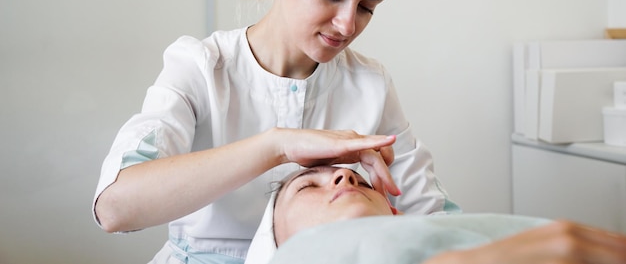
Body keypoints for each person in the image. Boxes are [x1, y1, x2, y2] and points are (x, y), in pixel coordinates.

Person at [92, 0, 459, 263]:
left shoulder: (370, 85)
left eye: (367, 6)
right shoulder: (201, 68)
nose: (347, 25)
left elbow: (437, 221)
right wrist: (278, 146)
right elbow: (115, 208)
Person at [244, 165, 626, 264]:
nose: (345, 176)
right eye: (308, 187)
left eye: (359, 180)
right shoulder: (293, 256)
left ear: (393, 212)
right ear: (279, 242)